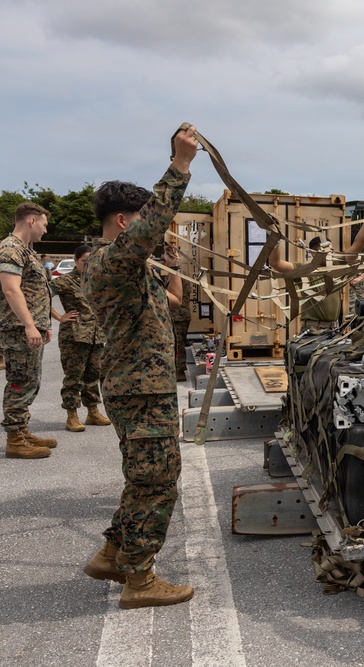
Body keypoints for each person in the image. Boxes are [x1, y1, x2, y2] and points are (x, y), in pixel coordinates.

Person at [81, 124, 195, 609]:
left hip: (139, 387)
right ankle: (140, 580)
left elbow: (168, 303)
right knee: (158, 482)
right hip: (141, 391)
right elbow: (150, 229)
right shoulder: (109, 262)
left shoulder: (125, 266)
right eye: (145, 220)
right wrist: (180, 166)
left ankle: (112, 553)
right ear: (124, 222)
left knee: (142, 478)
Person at [0, 202, 58, 459]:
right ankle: (15, 440)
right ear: (32, 221)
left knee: (30, 381)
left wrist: (42, 323)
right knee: (20, 382)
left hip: (27, 329)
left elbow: (37, 291)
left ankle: (22, 430)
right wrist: (29, 324)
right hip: (17, 330)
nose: (45, 230)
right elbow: (11, 289)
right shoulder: (10, 248)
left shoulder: (26, 250)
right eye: (44, 224)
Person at [50, 245, 112, 432]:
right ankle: (72, 415)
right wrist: (59, 316)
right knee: (74, 377)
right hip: (74, 336)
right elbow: (39, 297)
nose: (88, 264)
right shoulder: (64, 281)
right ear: (76, 260)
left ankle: (92, 411)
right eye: (85, 260)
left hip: (96, 335)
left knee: (93, 375)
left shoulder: (97, 281)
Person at [267, 222, 364, 330]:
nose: (331, 254)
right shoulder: (305, 270)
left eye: (332, 251)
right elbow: (276, 263)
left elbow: (358, 244)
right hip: (312, 330)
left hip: (332, 331)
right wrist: (275, 238)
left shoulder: (337, 267)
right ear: (313, 253)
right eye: (326, 251)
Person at [170, 262, 192, 381]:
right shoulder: (181, 276)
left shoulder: (176, 277)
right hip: (181, 316)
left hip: (178, 316)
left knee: (178, 345)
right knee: (179, 344)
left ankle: (179, 372)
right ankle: (178, 370)